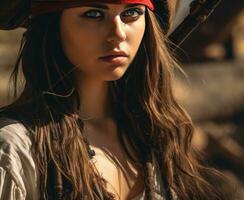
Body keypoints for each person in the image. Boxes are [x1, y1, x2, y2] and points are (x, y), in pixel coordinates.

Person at [0, 0, 230, 199]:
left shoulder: (157, 133)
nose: (118, 33)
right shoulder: (15, 150)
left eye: (131, 13)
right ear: (52, 25)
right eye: (93, 14)